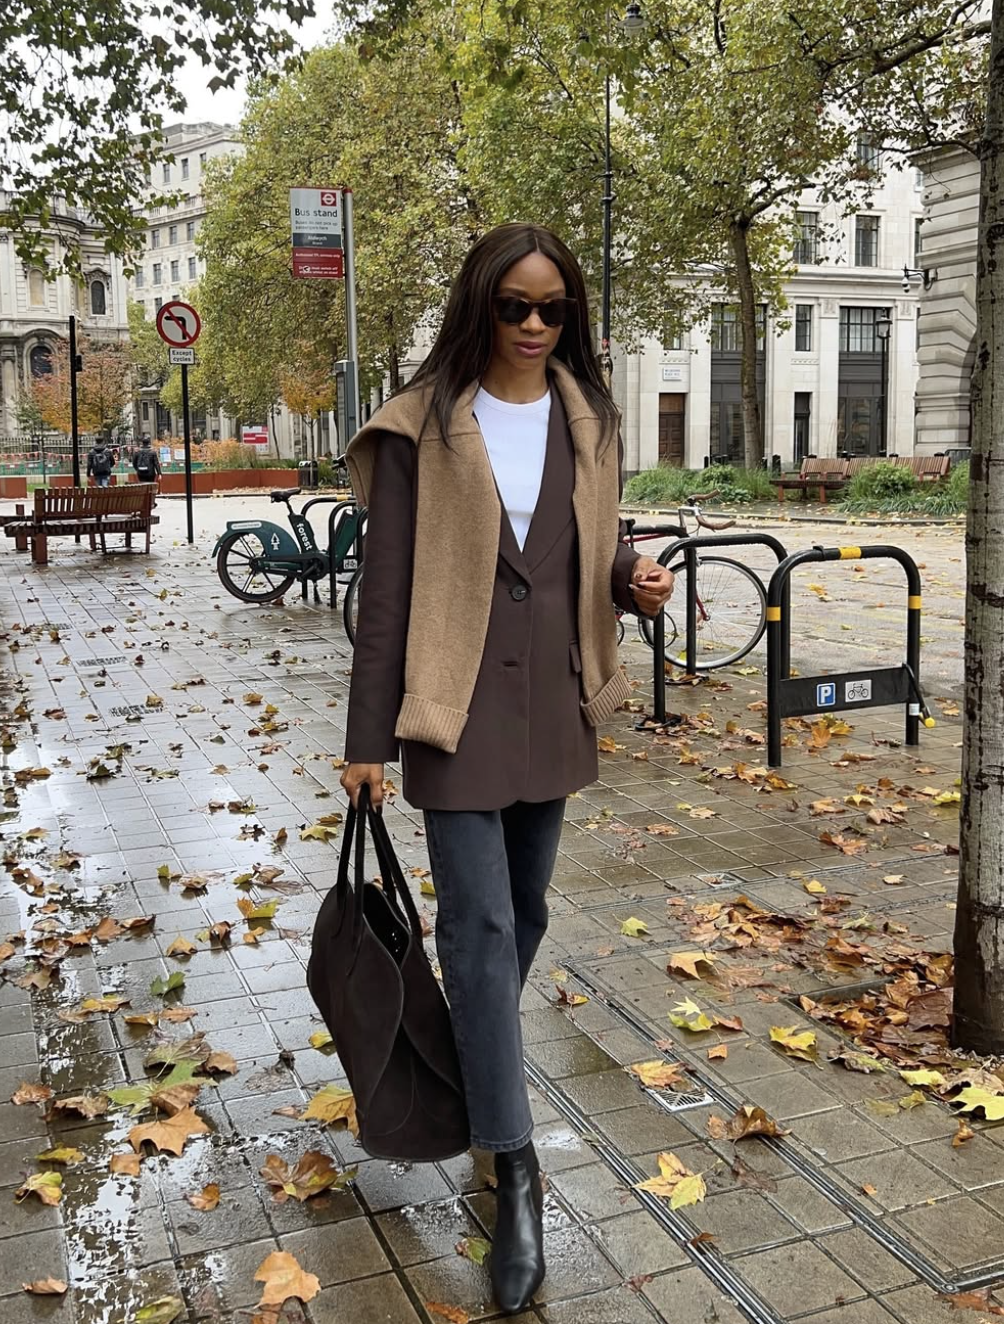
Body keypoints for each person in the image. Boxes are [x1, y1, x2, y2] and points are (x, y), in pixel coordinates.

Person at [340, 223, 674, 1315]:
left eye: (552, 308)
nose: (534, 325)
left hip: (554, 708)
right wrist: (365, 740)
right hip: (454, 707)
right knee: (479, 929)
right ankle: (512, 1164)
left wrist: (633, 578)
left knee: (522, 914)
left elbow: (591, 549)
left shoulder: (588, 419)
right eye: (513, 305)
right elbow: (387, 594)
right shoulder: (422, 425)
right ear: (478, 304)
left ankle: (463, 1062)